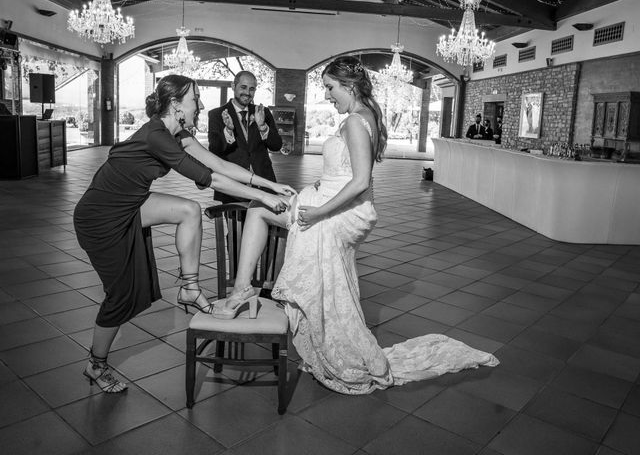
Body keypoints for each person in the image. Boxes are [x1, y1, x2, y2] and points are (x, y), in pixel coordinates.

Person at [212, 56, 498, 394]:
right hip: (333, 199)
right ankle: (246, 289)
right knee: (262, 210)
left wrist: (318, 213)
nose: (328, 96)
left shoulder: (354, 122)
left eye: (331, 88)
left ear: (349, 86)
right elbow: (347, 174)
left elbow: (361, 180)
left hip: (339, 209)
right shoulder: (367, 116)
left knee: (260, 211)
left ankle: (244, 290)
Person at [73, 74, 295, 394]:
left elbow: (218, 164)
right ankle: (96, 364)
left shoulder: (179, 134)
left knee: (189, 210)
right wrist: (262, 198)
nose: (201, 105)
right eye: (195, 99)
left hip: (130, 203)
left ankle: (190, 289)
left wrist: (269, 184)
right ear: (176, 104)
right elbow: (210, 179)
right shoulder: (156, 136)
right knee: (120, 295)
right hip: (101, 216)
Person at [208, 71, 282, 204]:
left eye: (252, 89)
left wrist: (263, 127)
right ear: (233, 86)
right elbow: (215, 150)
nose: (247, 93)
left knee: (267, 224)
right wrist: (228, 131)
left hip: (264, 185)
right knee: (236, 225)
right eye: (243, 87)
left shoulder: (262, 112)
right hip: (233, 187)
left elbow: (276, 145)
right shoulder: (216, 114)